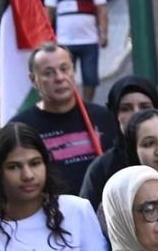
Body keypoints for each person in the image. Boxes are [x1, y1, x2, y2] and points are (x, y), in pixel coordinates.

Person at [10, 44, 115, 192]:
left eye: (64, 69)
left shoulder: (104, 117)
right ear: (33, 80)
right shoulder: (19, 128)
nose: (59, 78)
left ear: (73, 70)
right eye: (48, 73)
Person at [75, 74, 158, 204]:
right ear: (115, 114)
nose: (137, 113)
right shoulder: (102, 169)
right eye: (126, 109)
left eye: (145, 107)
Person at [42, 0, 108, 94]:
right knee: (65, 78)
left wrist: (103, 33)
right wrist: (47, 36)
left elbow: (102, 10)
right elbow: (49, 13)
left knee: (90, 78)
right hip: (65, 42)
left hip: (89, 40)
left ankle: (87, 105)